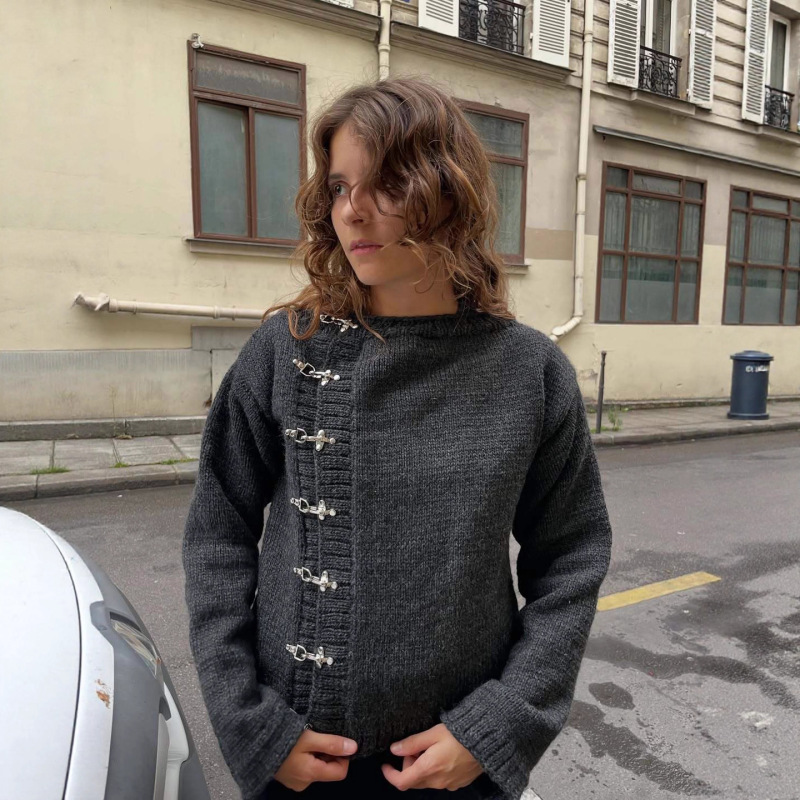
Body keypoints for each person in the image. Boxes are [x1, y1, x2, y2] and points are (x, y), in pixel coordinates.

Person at [182, 75, 613, 800]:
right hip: (299, 764)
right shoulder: (285, 351)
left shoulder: (530, 372)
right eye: (339, 187)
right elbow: (216, 534)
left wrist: (499, 727)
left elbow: (572, 556)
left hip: (458, 769)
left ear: (446, 188)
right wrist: (250, 724)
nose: (351, 210)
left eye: (383, 183)